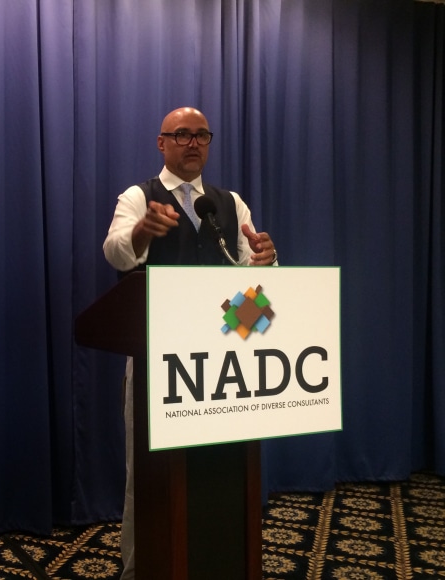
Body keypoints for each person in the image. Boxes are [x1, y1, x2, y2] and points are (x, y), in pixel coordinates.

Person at [102, 106, 278, 579]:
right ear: (162, 143)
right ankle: (142, 569)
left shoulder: (229, 202)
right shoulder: (139, 196)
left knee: (221, 467)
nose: (193, 142)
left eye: (202, 134)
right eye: (181, 135)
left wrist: (267, 264)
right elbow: (116, 252)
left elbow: (250, 284)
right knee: (151, 473)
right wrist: (140, 232)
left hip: (226, 362)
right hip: (159, 358)